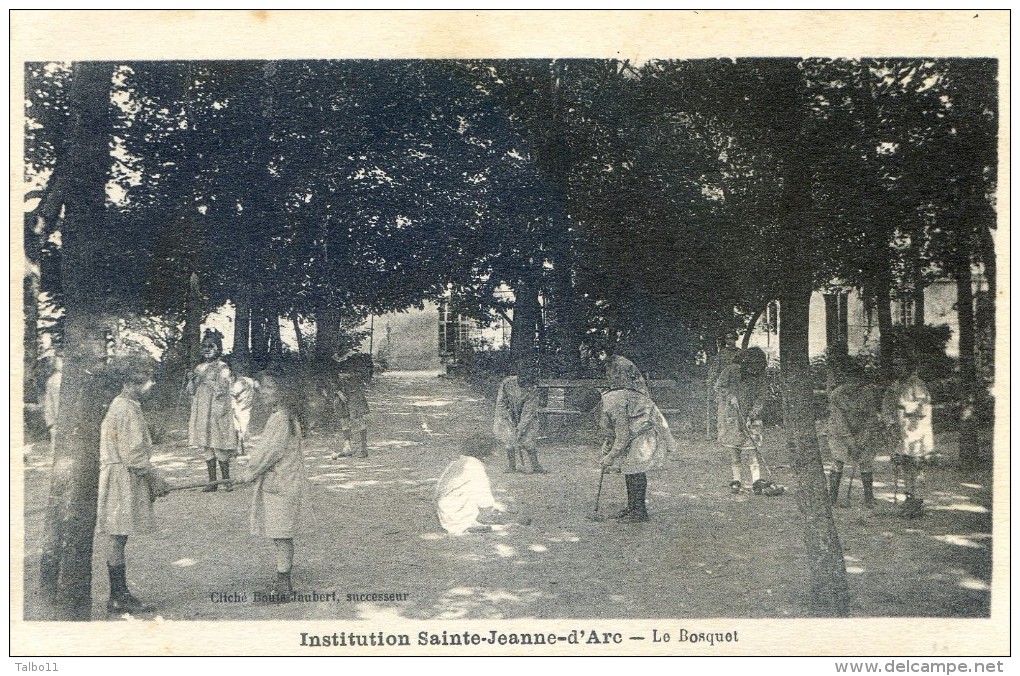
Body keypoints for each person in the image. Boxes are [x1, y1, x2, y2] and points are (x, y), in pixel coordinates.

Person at [96, 356, 168, 614]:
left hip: (121, 475)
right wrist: (155, 478)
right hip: (121, 479)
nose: (152, 384)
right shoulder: (125, 408)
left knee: (119, 536)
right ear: (132, 383)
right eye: (149, 380)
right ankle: (118, 596)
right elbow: (134, 456)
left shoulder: (124, 405)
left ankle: (120, 593)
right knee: (117, 536)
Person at [240, 372, 308, 599]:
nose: (262, 392)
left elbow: (271, 452)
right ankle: (283, 580)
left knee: (282, 534)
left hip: (282, 483)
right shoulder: (283, 416)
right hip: (282, 481)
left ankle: (284, 585)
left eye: (269, 388)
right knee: (280, 534)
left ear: (283, 391)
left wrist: (251, 471)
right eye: (262, 388)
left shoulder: (281, 418)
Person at [595, 361, 677, 522]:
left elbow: (623, 435)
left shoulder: (613, 404)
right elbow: (615, 431)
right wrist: (608, 445)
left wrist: (610, 457)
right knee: (629, 469)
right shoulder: (607, 400)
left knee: (635, 469)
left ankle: (640, 511)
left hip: (645, 431)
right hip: (636, 430)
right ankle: (632, 507)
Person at [436, 434, 529, 535]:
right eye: (494, 453)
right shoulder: (476, 468)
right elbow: (485, 502)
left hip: (444, 512)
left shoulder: (457, 463)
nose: (497, 457)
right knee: (498, 515)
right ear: (485, 455)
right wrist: (495, 508)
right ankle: (473, 525)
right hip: (456, 517)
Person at [882, 354, 935, 519]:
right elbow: (887, 405)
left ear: (908, 367)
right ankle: (909, 497)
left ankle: (917, 500)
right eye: (896, 365)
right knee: (904, 464)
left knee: (917, 465)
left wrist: (904, 406)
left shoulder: (917, 385)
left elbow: (924, 407)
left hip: (917, 431)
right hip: (901, 432)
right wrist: (889, 421)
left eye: (901, 365)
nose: (898, 368)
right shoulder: (895, 385)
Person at [826, 358, 883, 508]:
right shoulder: (836, 396)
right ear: (845, 379)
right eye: (851, 381)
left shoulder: (867, 394)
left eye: (858, 381)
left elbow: (871, 420)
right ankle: (832, 498)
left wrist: (862, 441)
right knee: (838, 460)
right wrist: (851, 444)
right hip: (839, 434)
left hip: (861, 431)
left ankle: (869, 498)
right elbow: (840, 424)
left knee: (865, 460)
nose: (854, 385)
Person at [715, 346, 772, 495]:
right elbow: (719, 386)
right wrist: (729, 395)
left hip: (751, 419)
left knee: (752, 451)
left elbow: (761, 398)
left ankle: (756, 482)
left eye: (757, 368)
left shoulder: (761, 376)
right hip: (732, 417)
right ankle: (737, 481)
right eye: (751, 367)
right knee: (734, 451)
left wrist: (753, 415)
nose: (754, 371)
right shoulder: (731, 371)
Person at [188, 329, 238, 491]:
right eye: (204, 346)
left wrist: (207, 380)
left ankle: (226, 480)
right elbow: (191, 390)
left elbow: (223, 389)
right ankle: (212, 482)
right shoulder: (200, 367)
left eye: (211, 346)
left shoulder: (222, 367)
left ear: (218, 348)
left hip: (217, 410)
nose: (207, 349)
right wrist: (193, 380)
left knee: (219, 443)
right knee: (206, 444)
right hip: (203, 411)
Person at [493, 365, 545, 473]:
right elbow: (501, 402)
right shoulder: (507, 383)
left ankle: (536, 466)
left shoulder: (532, 390)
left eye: (527, 381)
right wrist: (507, 416)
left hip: (526, 418)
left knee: (527, 440)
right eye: (522, 378)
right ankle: (511, 466)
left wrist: (520, 428)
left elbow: (528, 412)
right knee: (509, 438)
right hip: (508, 415)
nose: (525, 383)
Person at [330, 355, 371, 459]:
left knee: (358, 420)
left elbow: (364, 376)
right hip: (341, 397)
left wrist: (350, 376)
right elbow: (331, 380)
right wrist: (339, 392)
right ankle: (347, 448)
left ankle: (363, 448)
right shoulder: (333, 361)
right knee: (344, 422)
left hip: (354, 395)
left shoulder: (355, 359)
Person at [706, 331, 741, 438]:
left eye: (732, 338)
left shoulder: (741, 353)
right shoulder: (721, 354)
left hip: (737, 385)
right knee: (722, 410)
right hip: (724, 385)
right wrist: (710, 379)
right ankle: (722, 435)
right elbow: (715, 369)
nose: (730, 341)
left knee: (737, 410)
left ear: (735, 339)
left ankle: (736, 434)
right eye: (727, 339)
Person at [42, 354, 63, 442]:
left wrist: (50, 422)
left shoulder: (51, 379)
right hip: (61, 420)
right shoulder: (57, 379)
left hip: (55, 421)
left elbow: (48, 404)